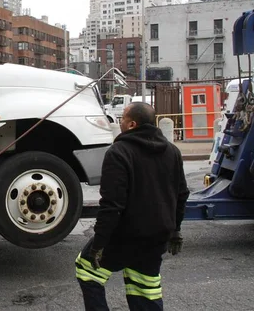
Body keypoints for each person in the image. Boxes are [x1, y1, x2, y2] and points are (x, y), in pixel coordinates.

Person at [75, 102, 190, 311]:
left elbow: (112, 205)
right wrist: (175, 230)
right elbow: (181, 194)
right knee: (144, 287)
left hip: (125, 236)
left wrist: (98, 244)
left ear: (132, 124)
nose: (120, 123)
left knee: (87, 270)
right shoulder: (172, 151)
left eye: (123, 119)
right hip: (157, 236)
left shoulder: (119, 152)